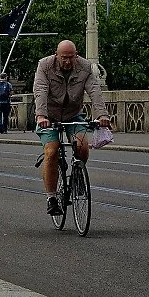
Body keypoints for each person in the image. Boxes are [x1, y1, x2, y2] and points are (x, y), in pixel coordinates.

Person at [33, 39, 109, 217]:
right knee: (51, 151)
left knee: (82, 146)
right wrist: (41, 116)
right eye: (64, 57)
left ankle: (77, 177)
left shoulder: (85, 67)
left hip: (73, 114)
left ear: (77, 55)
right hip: (48, 116)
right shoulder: (44, 66)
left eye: (71, 57)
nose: (67, 61)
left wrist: (102, 115)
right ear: (56, 55)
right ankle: (51, 198)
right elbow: (40, 90)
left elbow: (95, 91)